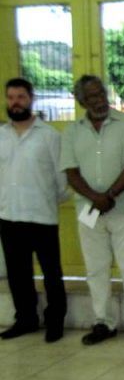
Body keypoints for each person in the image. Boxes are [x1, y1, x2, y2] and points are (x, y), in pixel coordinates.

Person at [61, 75, 124, 346]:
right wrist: (95, 198)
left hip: (123, 208)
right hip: (88, 212)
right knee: (96, 268)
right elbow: (71, 172)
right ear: (81, 101)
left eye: (101, 93)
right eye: (91, 97)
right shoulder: (72, 132)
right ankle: (103, 322)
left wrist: (109, 195)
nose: (99, 100)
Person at [0, 78, 69, 342]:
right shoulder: (2, 135)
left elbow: (62, 179)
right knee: (18, 274)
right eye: (11, 97)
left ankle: (55, 321)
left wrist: (51, 201)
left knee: (52, 272)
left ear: (31, 99)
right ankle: (26, 319)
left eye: (20, 97)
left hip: (42, 215)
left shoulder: (49, 136)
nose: (15, 102)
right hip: (9, 215)